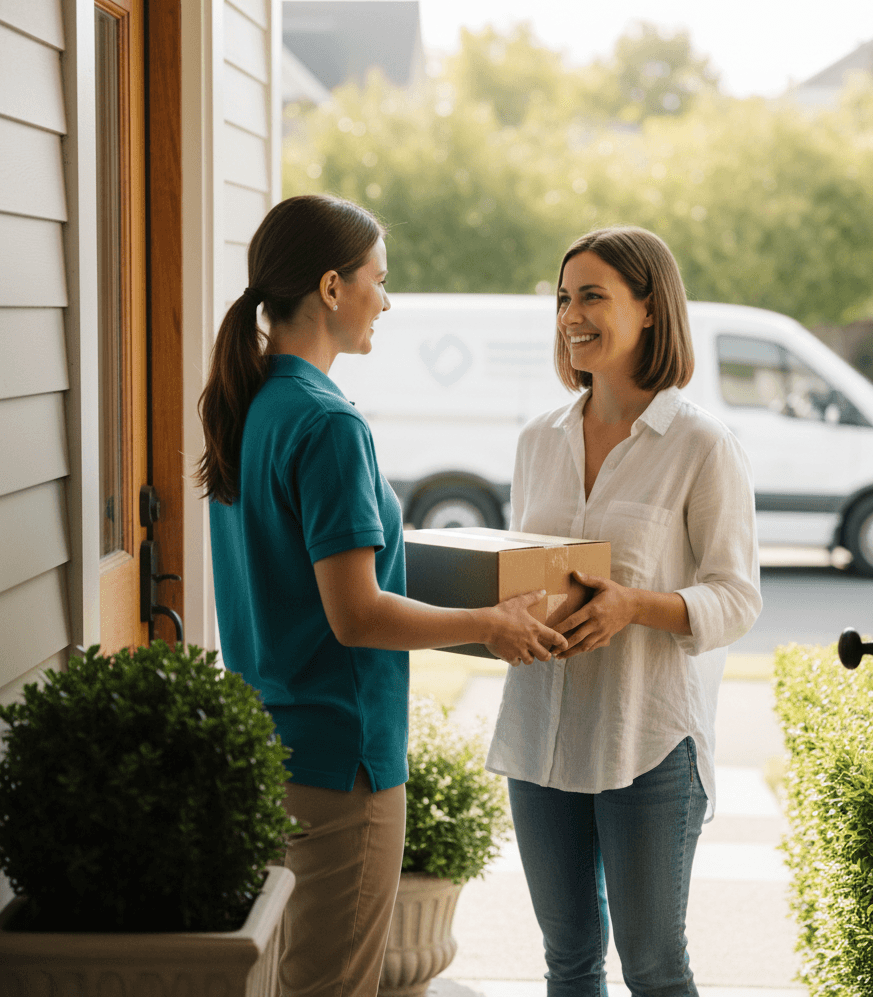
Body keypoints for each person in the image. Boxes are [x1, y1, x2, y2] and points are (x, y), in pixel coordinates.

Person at [196, 194, 566, 997]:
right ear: (332, 289)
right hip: (340, 764)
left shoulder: (254, 404)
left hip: (268, 745)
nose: (387, 301)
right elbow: (356, 613)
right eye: (379, 280)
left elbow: (303, 578)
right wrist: (489, 624)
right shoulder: (330, 424)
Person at [486, 226, 762, 997]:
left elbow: (737, 597)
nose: (572, 314)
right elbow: (532, 568)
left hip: (647, 740)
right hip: (540, 732)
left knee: (653, 969)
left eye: (594, 296)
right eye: (565, 298)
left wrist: (634, 605)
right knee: (567, 960)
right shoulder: (538, 440)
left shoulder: (704, 445)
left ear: (649, 310)